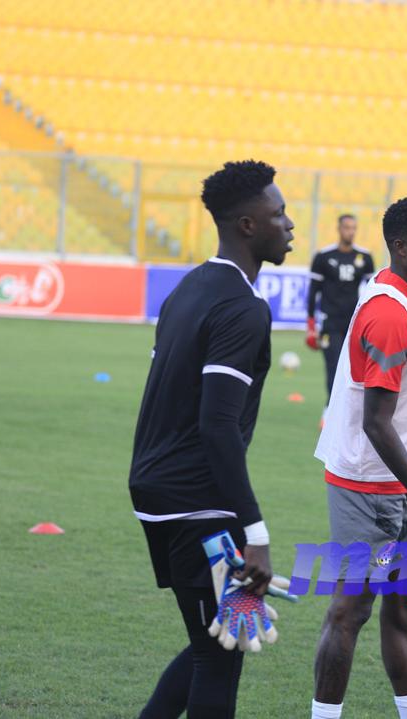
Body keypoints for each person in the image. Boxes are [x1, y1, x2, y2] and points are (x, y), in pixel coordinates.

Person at [128, 159, 294, 718]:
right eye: (279, 213)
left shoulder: (187, 290)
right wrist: (256, 533)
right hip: (198, 503)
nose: (289, 224)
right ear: (248, 225)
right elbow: (217, 425)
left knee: (212, 643)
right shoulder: (243, 309)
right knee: (221, 657)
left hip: (159, 491)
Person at [310, 196, 407, 719]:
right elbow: (375, 421)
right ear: (400, 247)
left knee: (403, 609)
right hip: (365, 487)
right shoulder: (391, 312)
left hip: (393, 481)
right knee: (351, 610)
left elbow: (388, 405)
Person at [306, 214, 375, 405]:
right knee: (334, 367)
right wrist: (311, 325)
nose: (350, 232)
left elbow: (372, 291)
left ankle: (351, 410)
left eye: (353, 228)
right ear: (339, 229)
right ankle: (330, 409)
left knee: (355, 369)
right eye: (347, 227)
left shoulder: (365, 257)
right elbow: (313, 292)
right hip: (330, 322)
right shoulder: (323, 256)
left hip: (355, 323)